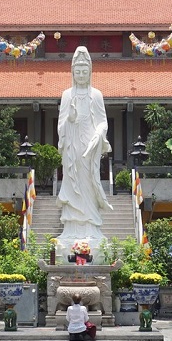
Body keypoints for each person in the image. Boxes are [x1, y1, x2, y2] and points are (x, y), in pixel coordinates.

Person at [56, 46, 112, 250]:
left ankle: (91, 228)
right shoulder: (66, 95)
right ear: (72, 72)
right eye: (77, 71)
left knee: (89, 183)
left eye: (84, 71)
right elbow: (61, 123)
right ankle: (71, 229)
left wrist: (98, 134)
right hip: (72, 148)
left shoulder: (96, 95)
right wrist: (69, 119)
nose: (81, 75)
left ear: (90, 72)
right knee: (72, 183)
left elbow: (103, 121)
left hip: (90, 147)